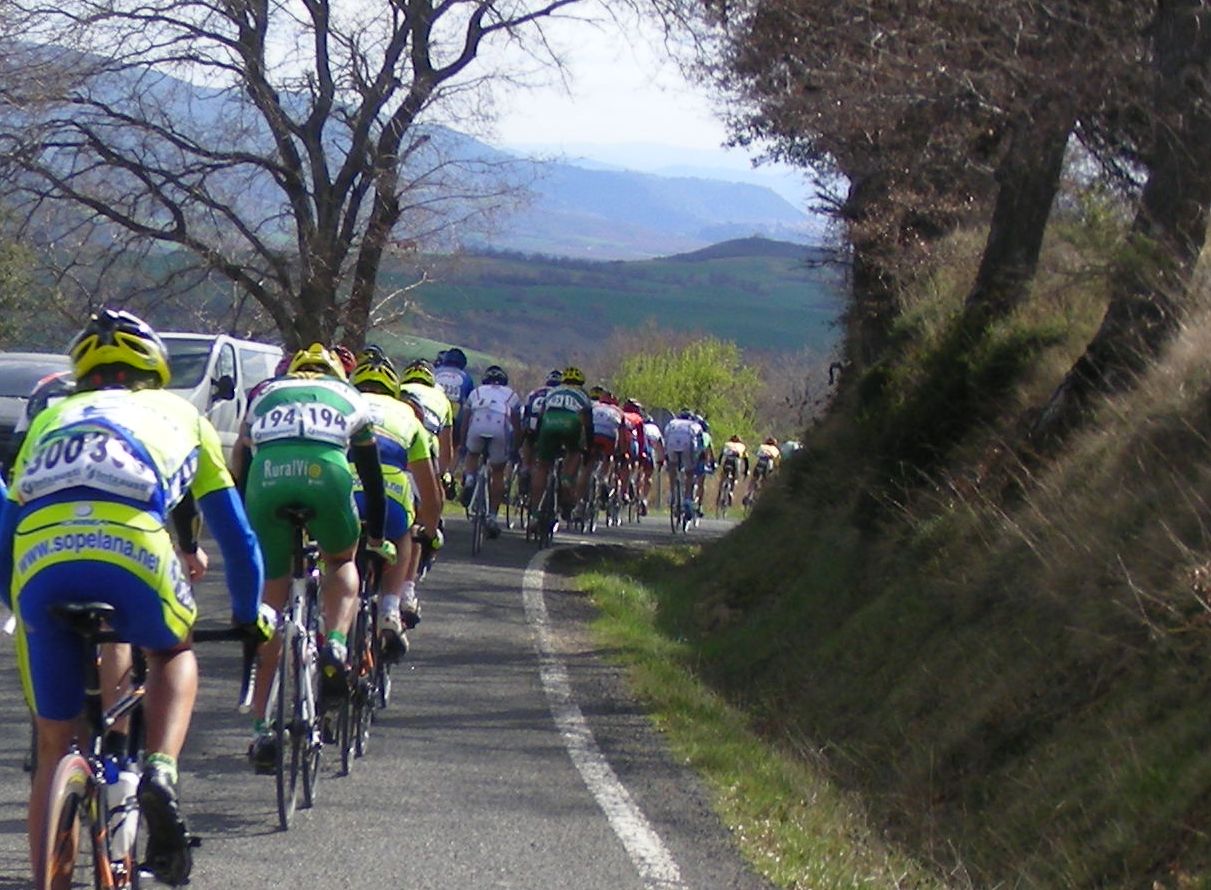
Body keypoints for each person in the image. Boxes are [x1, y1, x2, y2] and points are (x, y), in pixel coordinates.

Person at [0, 308, 269, 886]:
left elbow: (6, 530)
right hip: (133, 548)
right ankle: (161, 770)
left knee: (53, 749)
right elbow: (238, 538)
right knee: (172, 650)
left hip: (41, 559)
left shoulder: (51, 417)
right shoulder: (184, 414)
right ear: (155, 372)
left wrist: (22, 609)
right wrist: (249, 617)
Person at [234, 342, 395, 772]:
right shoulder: (349, 396)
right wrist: (376, 537)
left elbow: (242, 462)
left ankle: (262, 730)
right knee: (341, 561)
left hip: (267, 481)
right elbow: (373, 479)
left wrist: (245, 524)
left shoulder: (265, 393)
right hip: (325, 476)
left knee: (271, 606)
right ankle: (336, 646)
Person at [349, 347, 441, 656]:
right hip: (391, 488)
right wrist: (428, 534)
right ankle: (390, 607)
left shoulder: (345, 403)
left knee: (335, 554)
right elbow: (430, 494)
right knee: (405, 533)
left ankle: (325, 616)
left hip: (345, 483)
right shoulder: (407, 414)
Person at [459, 365, 521, 538]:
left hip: (477, 424)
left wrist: (463, 443)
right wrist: (515, 447)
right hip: (499, 427)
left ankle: (470, 480)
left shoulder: (477, 392)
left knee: (473, 454)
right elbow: (517, 425)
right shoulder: (511, 394)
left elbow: (465, 420)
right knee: (498, 471)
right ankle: (492, 516)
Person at [529, 366, 593, 529]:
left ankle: (534, 513)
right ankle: (566, 479)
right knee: (575, 451)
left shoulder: (552, 392)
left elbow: (540, 417)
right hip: (571, 424)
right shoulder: (583, 395)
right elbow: (588, 425)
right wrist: (588, 449)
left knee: (542, 467)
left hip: (549, 423)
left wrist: (537, 441)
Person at [663, 409, 704, 520]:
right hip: (687, 445)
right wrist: (698, 458)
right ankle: (687, 499)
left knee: (672, 466)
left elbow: (665, 437)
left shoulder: (672, 423)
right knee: (689, 472)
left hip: (672, 444)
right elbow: (700, 444)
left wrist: (666, 455)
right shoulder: (695, 424)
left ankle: (672, 493)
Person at [745, 436, 782, 505]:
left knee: (753, 479)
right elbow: (777, 461)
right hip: (769, 464)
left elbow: (758, 454)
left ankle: (747, 493)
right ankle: (760, 496)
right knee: (765, 481)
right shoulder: (776, 450)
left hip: (760, 462)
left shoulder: (762, 446)